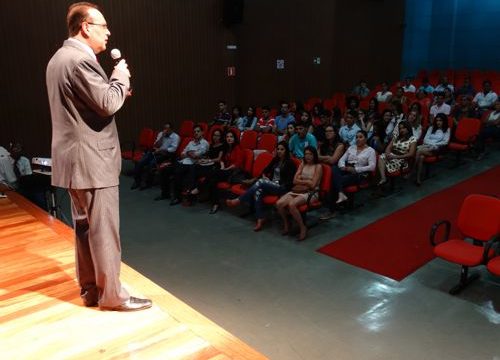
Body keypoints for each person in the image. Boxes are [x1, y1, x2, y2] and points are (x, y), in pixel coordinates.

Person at [46, 2, 151, 311]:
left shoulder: (58, 59)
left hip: (72, 161)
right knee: (104, 230)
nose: (108, 33)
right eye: (103, 26)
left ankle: (92, 290)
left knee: (84, 228)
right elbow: (106, 102)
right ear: (86, 27)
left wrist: (113, 90)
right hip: (92, 161)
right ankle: (113, 296)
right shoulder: (81, 61)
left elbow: (88, 102)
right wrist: (119, 77)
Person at [226, 141, 296, 231]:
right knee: (258, 192)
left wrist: (269, 181)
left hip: (282, 187)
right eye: (278, 149)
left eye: (282, 149)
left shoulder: (290, 163)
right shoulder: (276, 160)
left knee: (261, 183)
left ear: (286, 151)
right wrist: (263, 177)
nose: (279, 151)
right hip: (271, 185)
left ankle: (238, 200)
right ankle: (260, 218)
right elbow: (265, 170)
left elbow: (290, 182)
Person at [319, 130, 376, 220]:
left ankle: (332, 210)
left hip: (359, 173)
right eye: (356, 137)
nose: (358, 139)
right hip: (347, 169)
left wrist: (356, 169)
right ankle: (341, 193)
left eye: (360, 137)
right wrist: (344, 167)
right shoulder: (351, 148)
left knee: (333, 182)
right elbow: (341, 160)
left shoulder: (370, 151)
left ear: (366, 139)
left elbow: (372, 167)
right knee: (334, 168)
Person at [276, 146, 322, 241]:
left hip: (311, 193)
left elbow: (313, 185)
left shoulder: (318, 166)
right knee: (279, 203)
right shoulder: (302, 164)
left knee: (292, 204)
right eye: (306, 154)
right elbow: (294, 181)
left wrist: (302, 179)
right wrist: (307, 181)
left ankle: (302, 227)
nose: (308, 156)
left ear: (314, 155)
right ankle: (287, 223)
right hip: (298, 190)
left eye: (310, 154)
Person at [168, 125, 209, 205]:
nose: (196, 133)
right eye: (194, 132)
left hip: (195, 164)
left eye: (198, 131)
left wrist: (188, 153)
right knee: (175, 172)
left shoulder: (205, 143)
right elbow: (182, 154)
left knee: (188, 174)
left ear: (202, 132)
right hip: (185, 162)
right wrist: (189, 153)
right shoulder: (191, 142)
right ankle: (177, 197)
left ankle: (188, 197)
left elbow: (196, 155)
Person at [131, 123, 179, 190]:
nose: (165, 130)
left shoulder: (176, 137)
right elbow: (156, 145)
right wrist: (162, 137)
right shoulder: (161, 134)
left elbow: (173, 149)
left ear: (172, 130)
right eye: (164, 128)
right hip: (156, 151)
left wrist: (161, 150)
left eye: (167, 129)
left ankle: (147, 183)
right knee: (140, 162)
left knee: (151, 164)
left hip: (165, 154)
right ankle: (137, 181)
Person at [206, 129, 244, 214]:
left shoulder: (238, 148)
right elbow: (222, 160)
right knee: (213, 180)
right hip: (226, 171)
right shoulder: (226, 148)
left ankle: (199, 187)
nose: (229, 138)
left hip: (234, 172)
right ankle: (216, 204)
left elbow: (237, 164)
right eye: (227, 137)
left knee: (213, 173)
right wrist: (223, 167)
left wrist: (225, 169)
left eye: (231, 137)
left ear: (235, 138)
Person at [377, 121, 417, 186]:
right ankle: (383, 179)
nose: (401, 130)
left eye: (403, 128)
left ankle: (383, 182)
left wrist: (395, 157)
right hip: (392, 156)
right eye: (400, 128)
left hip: (402, 160)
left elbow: (411, 154)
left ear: (408, 128)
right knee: (380, 157)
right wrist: (388, 154)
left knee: (381, 162)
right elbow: (388, 148)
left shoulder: (413, 139)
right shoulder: (396, 137)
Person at [414, 113, 451, 185]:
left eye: (440, 120)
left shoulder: (447, 129)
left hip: (437, 150)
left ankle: (411, 170)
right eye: (437, 120)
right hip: (427, 146)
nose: (438, 122)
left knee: (419, 150)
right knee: (421, 157)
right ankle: (418, 179)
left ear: (444, 121)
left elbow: (445, 142)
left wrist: (433, 145)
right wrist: (432, 144)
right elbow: (425, 139)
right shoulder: (431, 128)